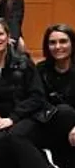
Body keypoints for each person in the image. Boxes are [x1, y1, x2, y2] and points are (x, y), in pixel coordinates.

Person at [0, 19, 48, 168]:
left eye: (0, 33)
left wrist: (13, 118)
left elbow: (37, 97)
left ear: (8, 36)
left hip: (24, 118)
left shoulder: (24, 62)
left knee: (15, 135)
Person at [36, 24, 75, 167]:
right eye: (52, 42)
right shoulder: (40, 70)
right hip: (50, 125)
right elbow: (38, 102)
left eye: (63, 41)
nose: (58, 47)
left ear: (72, 43)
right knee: (64, 112)